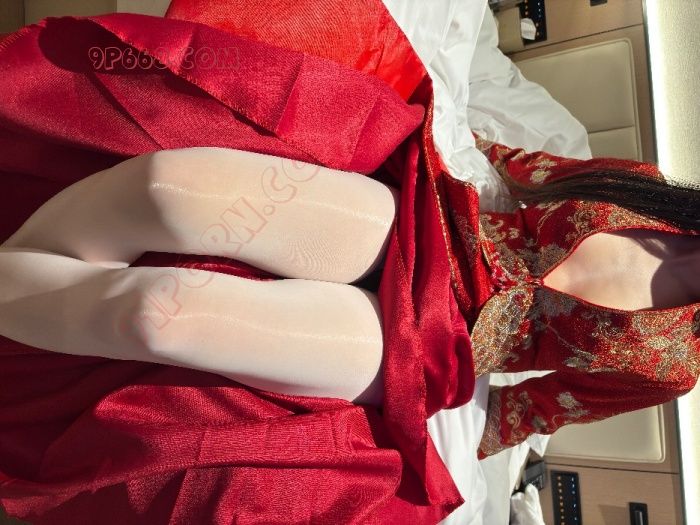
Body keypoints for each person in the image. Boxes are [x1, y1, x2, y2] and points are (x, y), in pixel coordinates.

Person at [0, 2, 699, 524]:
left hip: (429, 343)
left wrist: (440, 446)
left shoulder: (674, 367)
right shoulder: (648, 192)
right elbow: (518, 171)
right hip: (428, 223)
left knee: (157, 316)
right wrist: (442, 130)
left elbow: (528, 412)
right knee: (165, 190)